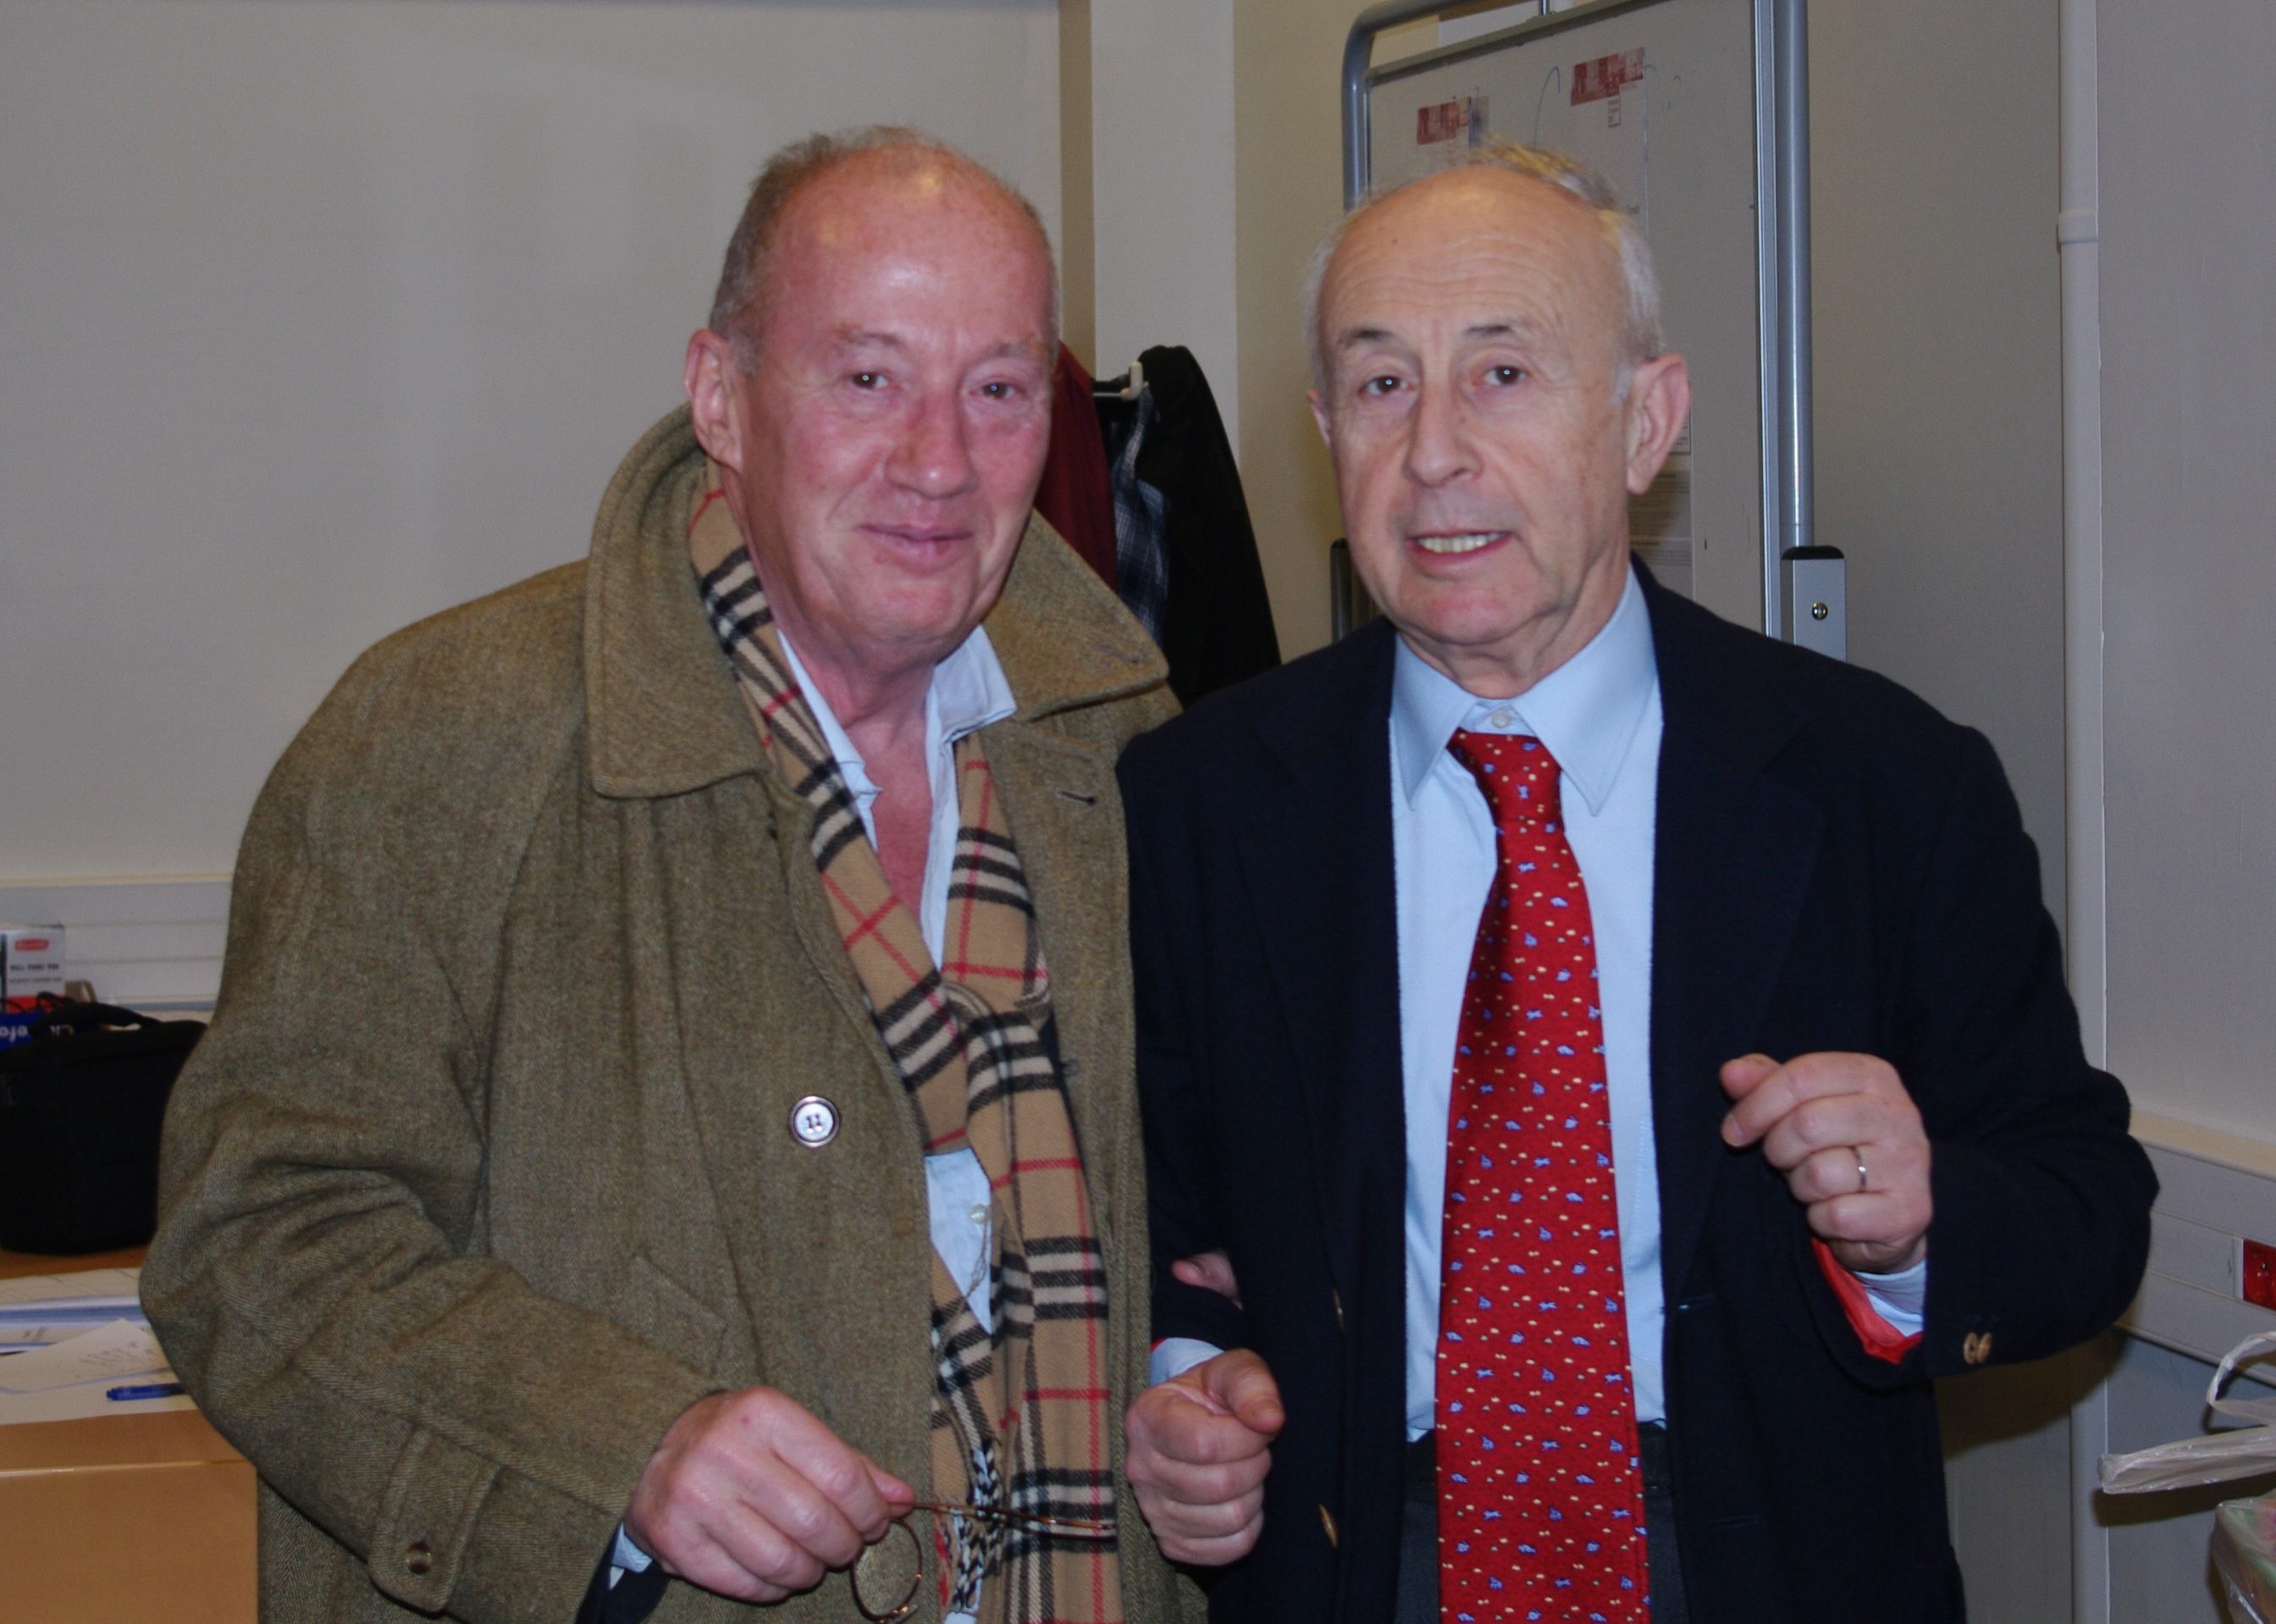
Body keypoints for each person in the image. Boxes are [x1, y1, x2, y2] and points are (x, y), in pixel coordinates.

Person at [142, 128, 1192, 1624]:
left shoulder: (1123, 743)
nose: (938, 461)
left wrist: (1205, 1369)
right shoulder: (445, 735)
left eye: (999, 389)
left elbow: (1190, 1212)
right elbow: (256, 1241)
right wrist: (615, 1449)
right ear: (720, 397)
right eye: (867, 376)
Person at [1114, 146, 2155, 1624]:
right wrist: (1186, 1375)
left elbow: (2086, 1206)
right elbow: (1152, 1199)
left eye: (1502, 374)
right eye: (1382, 384)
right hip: (1362, 1555)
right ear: (1326, 432)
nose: (1433, 453)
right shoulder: (1199, 801)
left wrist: (1920, 1227)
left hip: (1770, 1562)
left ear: (1643, 424)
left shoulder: (1881, 783)